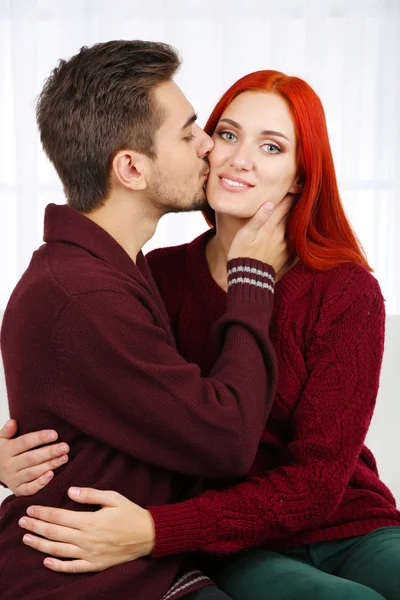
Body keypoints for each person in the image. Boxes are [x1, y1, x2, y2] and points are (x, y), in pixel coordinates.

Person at [2, 69, 400, 599]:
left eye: (272, 147)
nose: (235, 156)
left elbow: (318, 482)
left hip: (347, 521)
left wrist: (157, 531)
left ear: (302, 176)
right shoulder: (151, 277)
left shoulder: (345, 290)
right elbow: (91, 397)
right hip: (224, 538)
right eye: (226, 134)